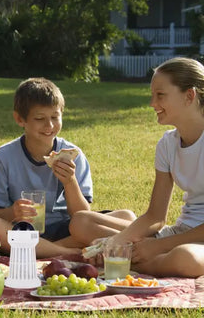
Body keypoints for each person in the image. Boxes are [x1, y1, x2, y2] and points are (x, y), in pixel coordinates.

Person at [76, 57, 204, 277]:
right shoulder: (167, 144)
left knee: (186, 259)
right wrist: (116, 241)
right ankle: (129, 258)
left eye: (160, 95)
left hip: (193, 243)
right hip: (181, 233)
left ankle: (129, 262)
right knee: (82, 222)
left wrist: (158, 246)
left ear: (189, 96)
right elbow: (155, 216)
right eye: (152, 95)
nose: (152, 103)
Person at [0, 77, 135, 258]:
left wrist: (70, 182)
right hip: (22, 230)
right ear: (20, 119)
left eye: (55, 117)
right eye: (40, 118)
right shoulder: (4, 157)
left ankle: (41, 250)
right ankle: (68, 253)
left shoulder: (73, 155)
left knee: (127, 217)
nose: (50, 125)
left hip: (65, 229)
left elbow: (81, 214)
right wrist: (13, 212)